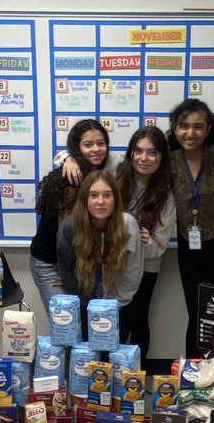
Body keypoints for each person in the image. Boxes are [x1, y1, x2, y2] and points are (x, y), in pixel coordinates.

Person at [168, 99, 214, 355]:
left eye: (198, 126)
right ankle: (193, 376)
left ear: (208, 129)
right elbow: (129, 171)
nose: (190, 133)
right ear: (175, 129)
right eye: (184, 126)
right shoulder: (169, 160)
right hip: (190, 249)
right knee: (198, 314)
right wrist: (66, 157)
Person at [29, 119, 111, 326]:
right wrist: (67, 277)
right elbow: (65, 237)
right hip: (52, 263)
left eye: (101, 143)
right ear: (77, 148)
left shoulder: (99, 175)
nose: (96, 149)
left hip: (77, 263)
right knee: (66, 326)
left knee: (82, 326)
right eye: (88, 144)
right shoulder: (70, 178)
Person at [55, 171, 144, 335]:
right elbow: (68, 273)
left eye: (107, 195)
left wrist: (112, 306)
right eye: (94, 195)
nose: (100, 202)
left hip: (119, 304)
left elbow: (133, 272)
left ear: (115, 199)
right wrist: (90, 305)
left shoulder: (128, 225)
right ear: (85, 199)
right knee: (87, 354)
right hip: (85, 303)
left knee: (114, 353)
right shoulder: (70, 227)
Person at [115, 126, 176, 364]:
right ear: (130, 153)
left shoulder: (166, 196)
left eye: (152, 152)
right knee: (113, 321)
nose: (144, 158)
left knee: (138, 319)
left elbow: (158, 248)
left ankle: (135, 378)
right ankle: (108, 375)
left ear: (162, 156)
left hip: (146, 269)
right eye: (138, 151)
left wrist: (137, 240)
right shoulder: (115, 177)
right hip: (111, 265)